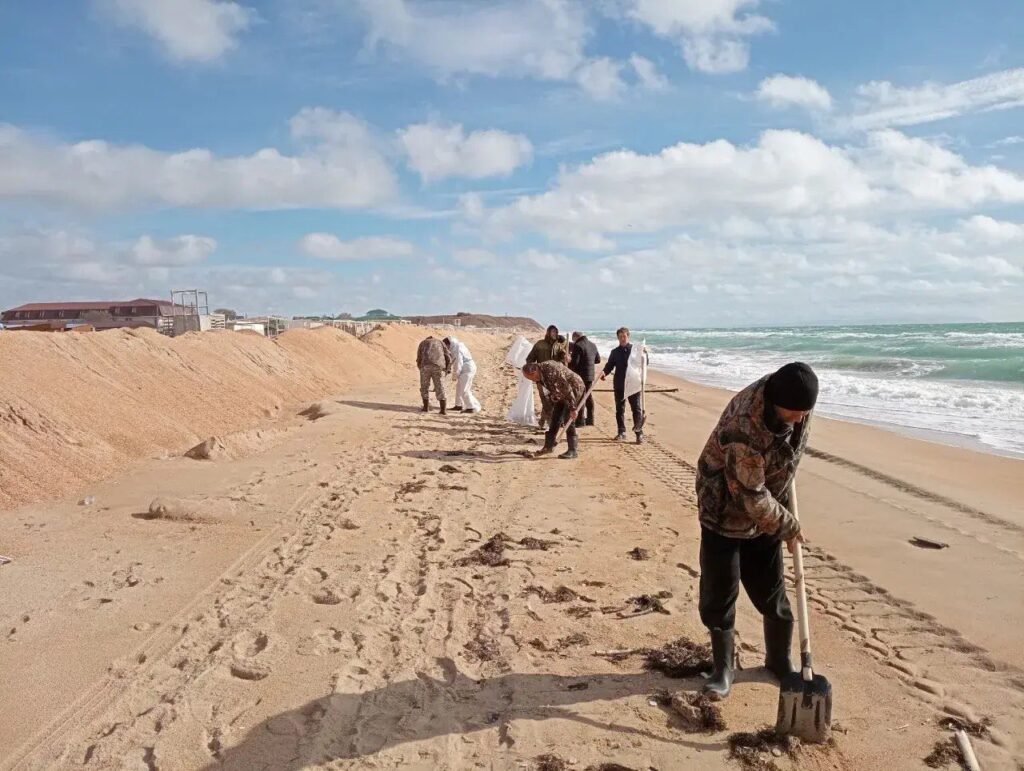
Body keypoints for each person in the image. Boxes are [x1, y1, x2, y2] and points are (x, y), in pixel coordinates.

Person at [694, 362, 818, 699]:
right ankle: (723, 668)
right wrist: (788, 524)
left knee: (772, 591)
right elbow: (750, 496)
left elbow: (786, 453)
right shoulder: (744, 427)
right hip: (723, 510)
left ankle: (779, 661)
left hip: (767, 506)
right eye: (794, 414)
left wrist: (783, 501)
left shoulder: (796, 401)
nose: (801, 419)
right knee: (720, 595)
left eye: (805, 413)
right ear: (776, 405)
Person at [522, 361, 584, 459]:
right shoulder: (539, 375)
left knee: (568, 417)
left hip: (574, 388)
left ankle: (573, 450)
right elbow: (551, 389)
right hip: (561, 392)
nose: (532, 381)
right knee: (556, 417)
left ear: (534, 372)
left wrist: (573, 408)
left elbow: (566, 388)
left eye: (530, 378)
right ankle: (549, 446)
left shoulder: (551, 369)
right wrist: (553, 398)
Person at [599, 327, 645, 443]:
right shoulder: (614, 352)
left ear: (628, 337)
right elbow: (609, 365)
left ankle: (639, 434)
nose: (622, 339)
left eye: (624, 336)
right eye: (620, 337)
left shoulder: (635, 350)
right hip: (619, 384)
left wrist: (644, 354)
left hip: (633, 384)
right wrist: (604, 373)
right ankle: (621, 432)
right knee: (620, 410)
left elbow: (644, 362)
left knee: (636, 409)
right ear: (618, 338)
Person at [525, 325, 567, 429]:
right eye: (552, 332)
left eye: (556, 332)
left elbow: (563, 360)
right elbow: (529, 359)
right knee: (545, 400)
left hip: (555, 377)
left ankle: (542, 422)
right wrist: (534, 371)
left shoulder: (559, 346)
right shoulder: (540, 344)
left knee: (553, 400)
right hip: (542, 377)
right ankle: (549, 423)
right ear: (548, 332)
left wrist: (564, 357)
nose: (555, 334)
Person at [569, 331, 600, 427]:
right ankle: (591, 419)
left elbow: (575, 363)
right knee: (588, 396)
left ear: (575, 337)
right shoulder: (593, 345)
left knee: (580, 397)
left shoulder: (577, 345)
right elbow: (598, 360)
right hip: (590, 375)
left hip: (580, 375)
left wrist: (568, 361)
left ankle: (580, 421)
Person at [444, 336, 481, 414]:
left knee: (464, 389)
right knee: (459, 388)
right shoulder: (457, 346)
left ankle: (471, 407)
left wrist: (455, 375)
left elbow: (458, 363)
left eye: (445, 346)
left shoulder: (457, 349)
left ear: (449, 344)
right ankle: (458, 405)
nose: (446, 348)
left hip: (467, 369)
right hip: (467, 369)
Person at [416, 335, 451, 414]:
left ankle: (425, 408)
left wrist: (420, 368)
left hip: (425, 366)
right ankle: (443, 410)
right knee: (440, 387)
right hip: (439, 366)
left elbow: (419, 357)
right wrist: (448, 369)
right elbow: (448, 355)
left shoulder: (422, 343)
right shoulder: (440, 342)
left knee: (424, 387)